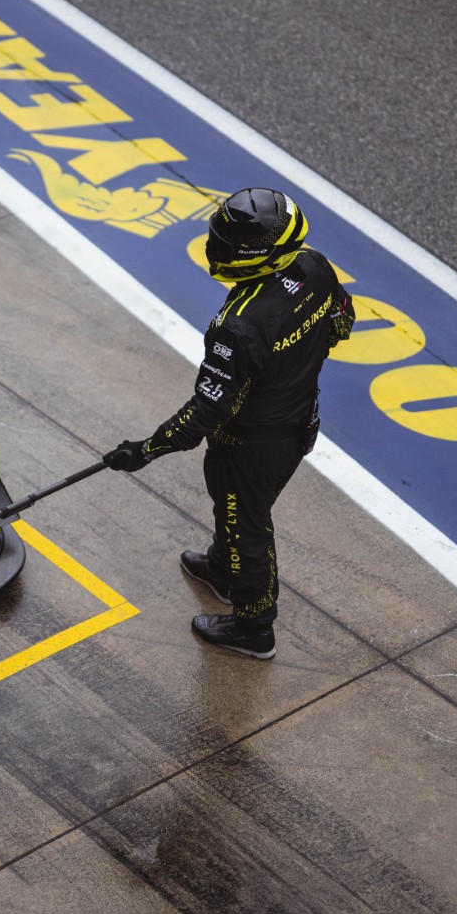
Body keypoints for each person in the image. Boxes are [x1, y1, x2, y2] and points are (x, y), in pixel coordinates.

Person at [105, 188, 354, 659]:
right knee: (234, 512)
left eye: (226, 244)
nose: (215, 247)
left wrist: (143, 451)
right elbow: (342, 323)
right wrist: (292, 361)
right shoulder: (315, 266)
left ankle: (254, 628)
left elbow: (205, 412)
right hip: (299, 420)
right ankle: (222, 570)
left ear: (257, 257)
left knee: (247, 528)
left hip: (250, 447)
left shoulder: (237, 326)